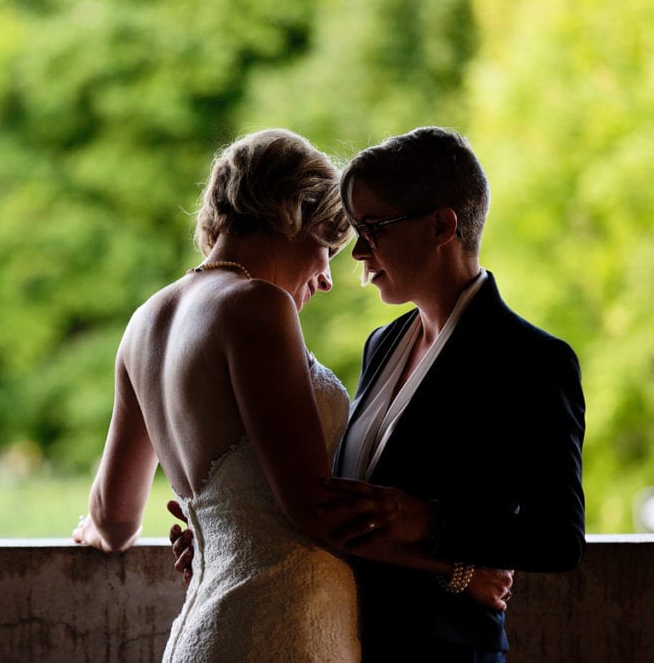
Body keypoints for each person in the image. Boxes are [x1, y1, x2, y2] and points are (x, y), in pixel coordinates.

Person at [171, 126, 586, 662]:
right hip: (350, 639)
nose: (358, 252)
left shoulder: (531, 360)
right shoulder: (382, 343)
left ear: (441, 225)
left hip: (448, 650)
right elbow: (344, 500)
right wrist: (229, 534)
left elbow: (560, 539)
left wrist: (434, 521)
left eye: (373, 229)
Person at [73, 128, 364, 661]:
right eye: (326, 247)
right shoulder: (257, 306)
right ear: (291, 216)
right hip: (285, 629)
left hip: (203, 633)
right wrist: (458, 570)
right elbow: (312, 509)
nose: (326, 278)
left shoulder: (144, 322)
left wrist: (92, 526)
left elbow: (115, 521)